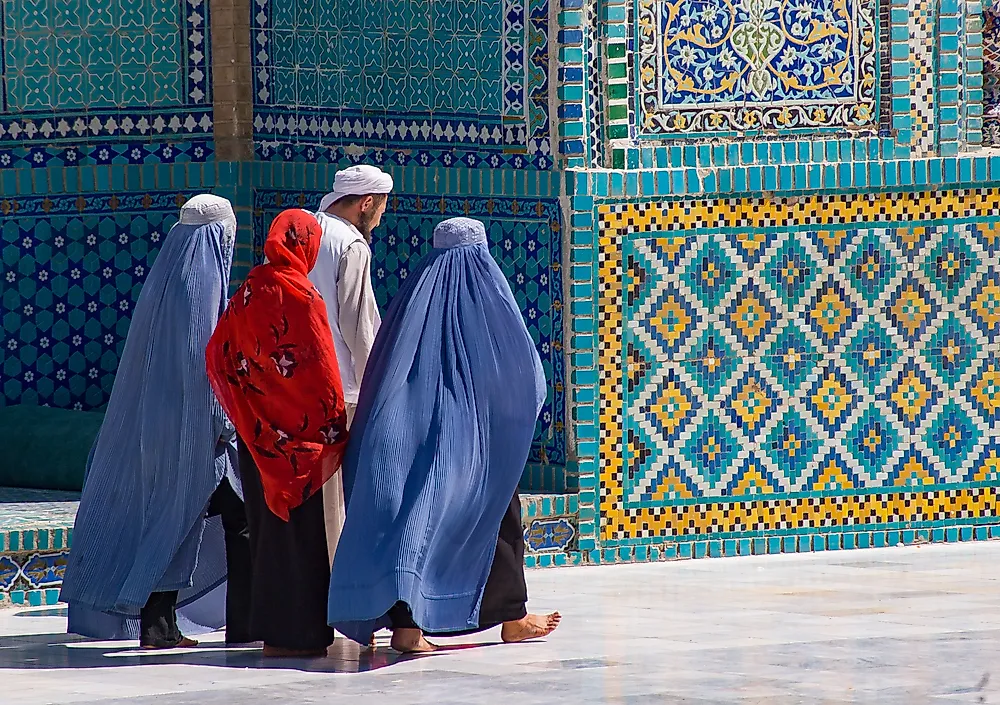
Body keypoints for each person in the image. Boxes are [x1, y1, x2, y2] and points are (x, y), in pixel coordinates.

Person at [327, 217, 561, 653]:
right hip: (470, 448)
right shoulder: (488, 296)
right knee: (488, 514)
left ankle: (492, 618)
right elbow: (526, 376)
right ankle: (438, 626)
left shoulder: (413, 301)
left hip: (406, 441)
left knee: (413, 521)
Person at [61, 194, 252, 649]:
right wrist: (224, 424)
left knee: (177, 520)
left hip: (162, 431)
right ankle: (237, 622)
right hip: (194, 436)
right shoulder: (201, 290)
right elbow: (204, 366)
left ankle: (164, 622)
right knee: (230, 518)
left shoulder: (165, 283)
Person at [206, 209, 350, 658]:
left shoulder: (250, 288)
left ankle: (271, 631)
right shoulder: (302, 293)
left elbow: (220, 353)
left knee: (266, 533)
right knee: (302, 537)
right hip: (299, 444)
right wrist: (332, 426)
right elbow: (321, 368)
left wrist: (249, 407)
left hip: (257, 439)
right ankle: (301, 633)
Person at [310, 164, 393, 565]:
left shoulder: (306, 228)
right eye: (381, 208)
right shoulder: (351, 245)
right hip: (343, 387)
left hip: (298, 379)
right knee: (337, 503)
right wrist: (378, 383)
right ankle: (344, 599)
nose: (381, 217)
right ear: (367, 202)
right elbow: (358, 324)